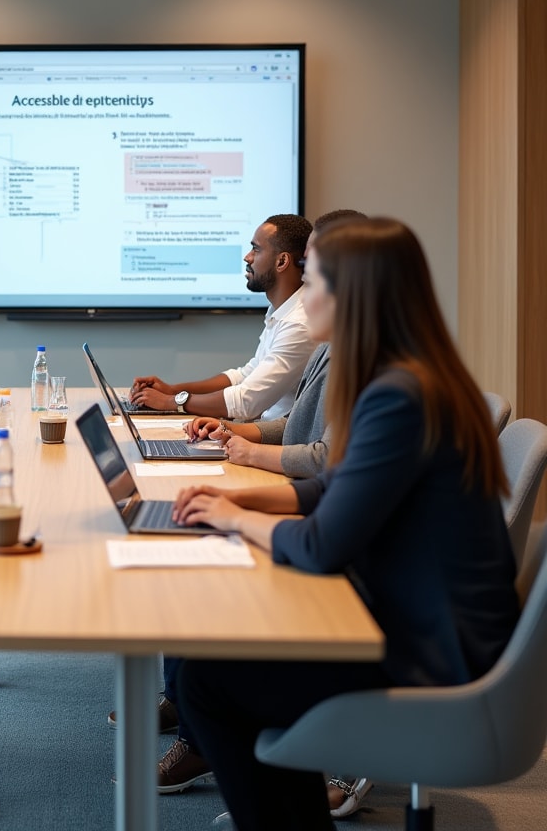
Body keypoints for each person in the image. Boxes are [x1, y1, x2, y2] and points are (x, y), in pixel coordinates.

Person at [167, 217, 520, 831]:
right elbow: (332, 487)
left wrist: (228, 516)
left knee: (209, 680)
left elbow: (323, 544)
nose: (306, 291)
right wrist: (243, 505)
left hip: (437, 660)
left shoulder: (399, 395)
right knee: (223, 660)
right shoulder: (404, 377)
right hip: (421, 625)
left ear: (355, 293)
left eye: (319, 277)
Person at [181, 211, 367, 481]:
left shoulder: (360, 359)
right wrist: (230, 429)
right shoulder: (329, 347)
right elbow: (297, 424)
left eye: (311, 280)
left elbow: (325, 458)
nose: (304, 295)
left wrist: (251, 453)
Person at [129, 214, 314, 421]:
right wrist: (172, 391)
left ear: (282, 261)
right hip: (260, 432)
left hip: (272, 441)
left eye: (256, 249)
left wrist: (171, 403)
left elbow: (246, 401)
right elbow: (245, 376)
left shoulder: (298, 323)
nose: (247, 257)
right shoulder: (282, 311)